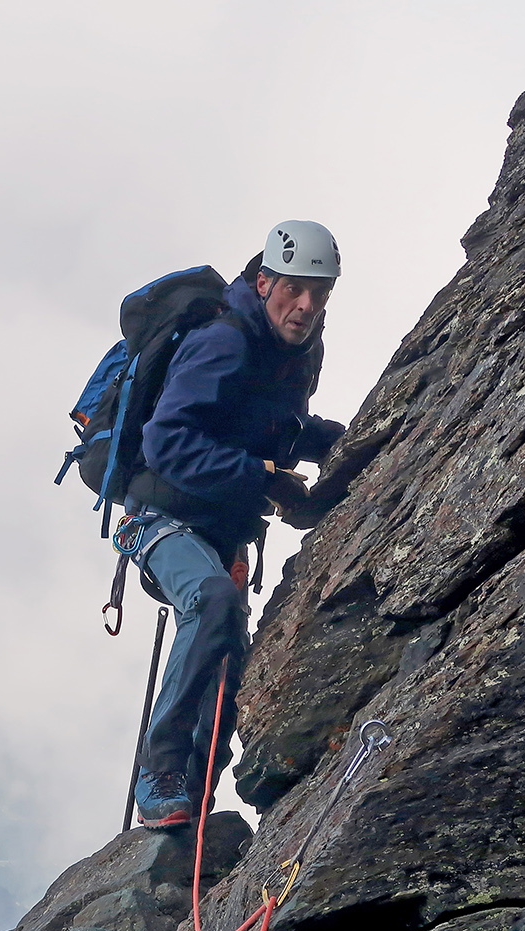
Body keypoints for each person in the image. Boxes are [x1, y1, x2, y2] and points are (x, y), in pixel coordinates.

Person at [118, 219, 347, 828]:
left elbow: (271, 424)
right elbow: (166, 442)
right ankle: (159, 774)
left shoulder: (296, 352)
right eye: (295, 290)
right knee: (214, 603)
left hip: (221, 529)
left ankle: (189, 808)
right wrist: (265, 475)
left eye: (320, 293)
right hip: (159, 517)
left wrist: (339, 445)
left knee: (228, 673)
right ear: (264, 279)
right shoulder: (224, 341)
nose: (307, 306)